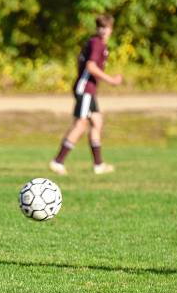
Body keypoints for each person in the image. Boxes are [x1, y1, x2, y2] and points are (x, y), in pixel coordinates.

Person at [49, 14, 123, 175]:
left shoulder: (98, 44)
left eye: (107, 28)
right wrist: (110, 80)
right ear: (97, 29)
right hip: (85, 89)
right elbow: (90, 66)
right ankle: (58, 162)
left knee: (97, 123)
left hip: (90, 90)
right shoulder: (97, 43)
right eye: (100, 27)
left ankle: (98, 165)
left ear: (111, 29)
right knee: (81, 124)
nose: (103, 31)